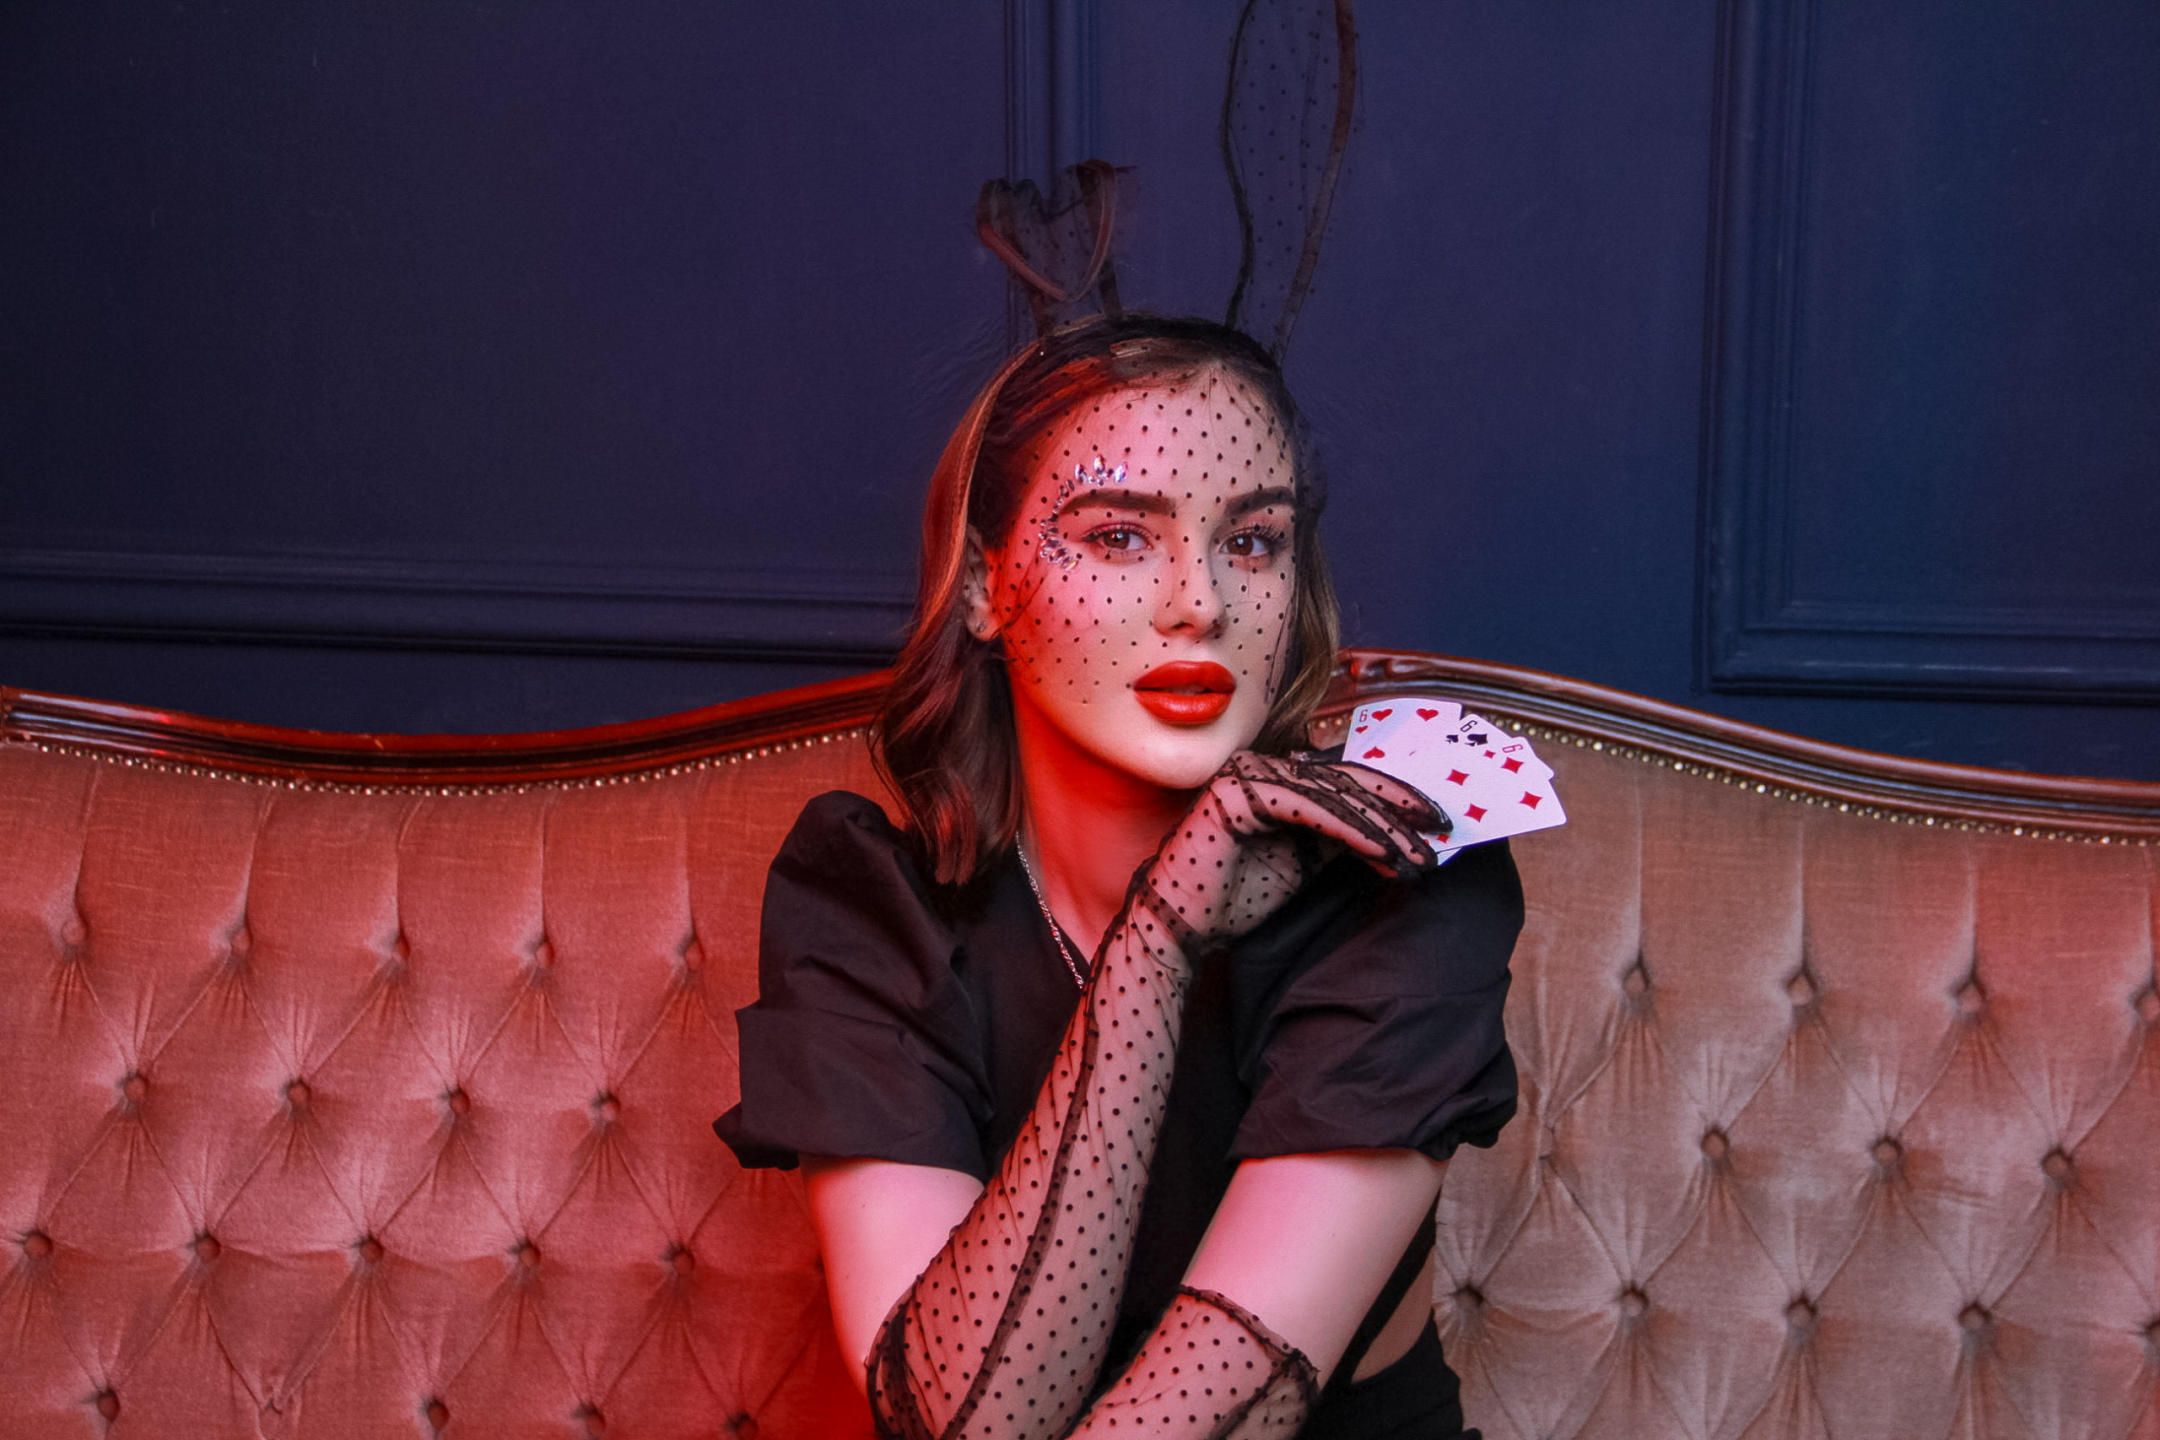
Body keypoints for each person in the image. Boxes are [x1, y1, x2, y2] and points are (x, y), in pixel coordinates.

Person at [716, 312, 1522, 1438]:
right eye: (1119, 537)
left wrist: (1159, 942)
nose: (1201, 600)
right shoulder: (871, 905)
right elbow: (961, 1423)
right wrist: (1157, 944)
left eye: (1253, 542)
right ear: (984, 585)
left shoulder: (1402, 876)